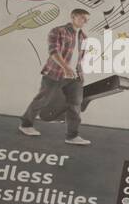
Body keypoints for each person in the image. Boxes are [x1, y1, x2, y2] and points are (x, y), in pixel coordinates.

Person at [19, 8, 93, 145]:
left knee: (75, 106)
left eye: (87, 20)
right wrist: (65, 67)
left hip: (74, 77)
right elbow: (53, 51)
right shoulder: (58, 31)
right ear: (73, 16)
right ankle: (26, 125)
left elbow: (79, 58)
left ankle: (72, 136)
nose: (85, 22)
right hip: (55, 73)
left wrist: (80, 73)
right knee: (43, 100)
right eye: (82, 18)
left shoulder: (84, 37)